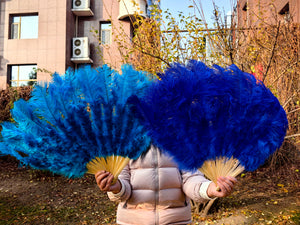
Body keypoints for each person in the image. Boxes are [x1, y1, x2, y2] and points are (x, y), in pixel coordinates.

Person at [95, 145, 237, 225]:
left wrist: (209, 189)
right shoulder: (125, 141)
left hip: (176, 221)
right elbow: (122, 185)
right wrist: (116, 187)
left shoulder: (179, 139)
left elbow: (191, 178)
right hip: (133, 221)